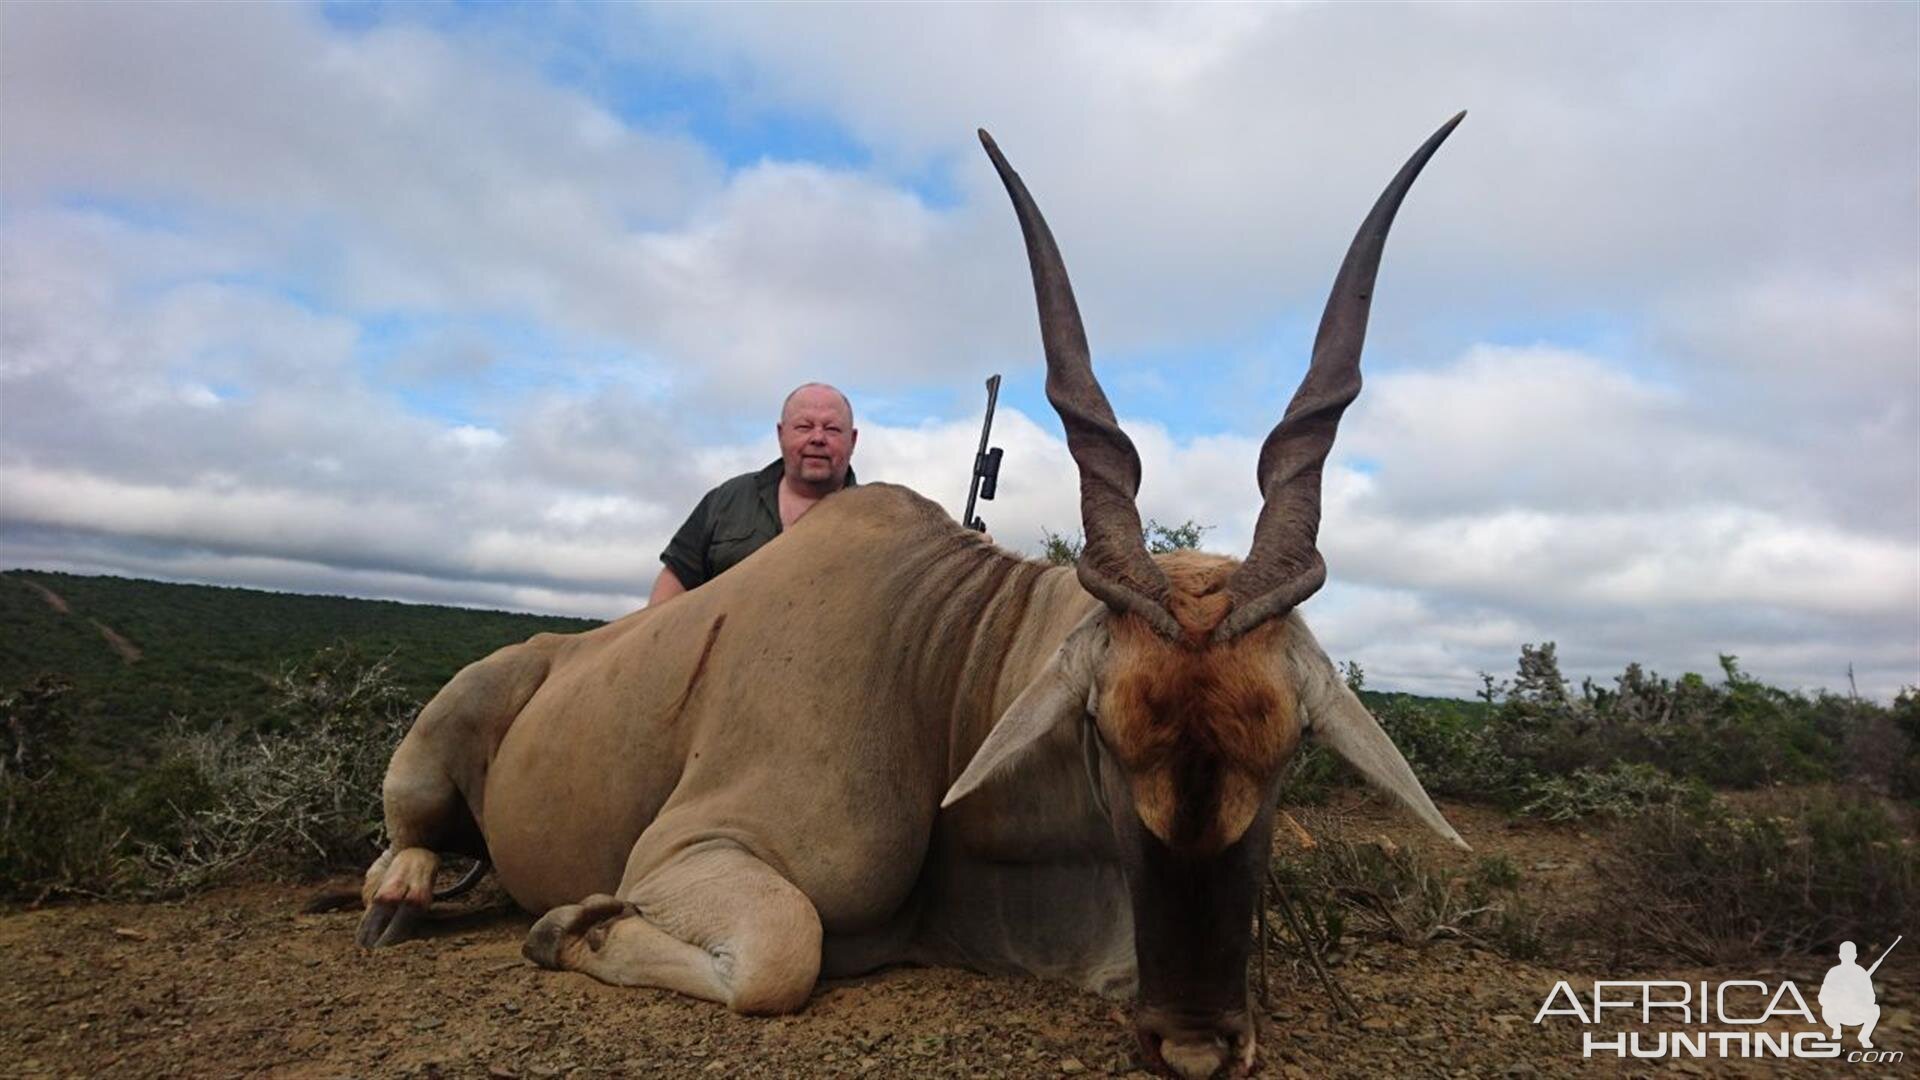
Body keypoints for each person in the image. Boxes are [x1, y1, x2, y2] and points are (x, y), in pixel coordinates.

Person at [649, 382, 858, 606]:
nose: (818, 438)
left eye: (832, 429)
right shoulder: (726, 499)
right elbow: (671, 589)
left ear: (853, 440)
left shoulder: (876, 524)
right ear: (781, 434)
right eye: (804, 427)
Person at [1818, 940, 1881, 1048]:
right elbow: (1823, 996)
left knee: (1875, 1009)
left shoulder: (1860, 972)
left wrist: (1859, 996)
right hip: (1837, 1012)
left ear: (1855, 956)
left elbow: (1871, 997)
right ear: (1840, 955)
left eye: (1850, 954)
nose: (1847, 957)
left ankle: (1864, 1036)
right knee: (1827, 1009)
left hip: (1855, 1012)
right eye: (1845, 954)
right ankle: (1836, 1029)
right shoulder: (1834, 972)